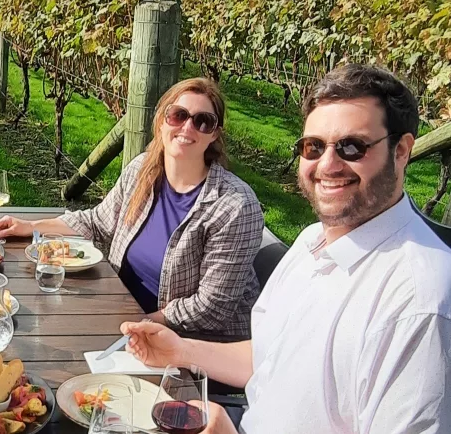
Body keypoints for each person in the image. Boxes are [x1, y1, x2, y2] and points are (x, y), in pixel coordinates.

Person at [122, 64, 451, 433]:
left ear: (401, 151)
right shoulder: (312, 242)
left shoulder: (418, 302)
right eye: (314, 146)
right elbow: (269, 358)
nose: (328, 165)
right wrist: (180, 351)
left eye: (352, 147)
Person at [0, 78, 264, 337]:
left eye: (203, 121)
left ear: (214, 134)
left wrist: (138, 324)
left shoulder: (234, 206)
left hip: (192, 342)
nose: (187, 127)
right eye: (178, 115)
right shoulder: (142, 171)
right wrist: (31, 227)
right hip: (124, 312)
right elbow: (98, 222)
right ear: (162, 121)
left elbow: (211, 309)